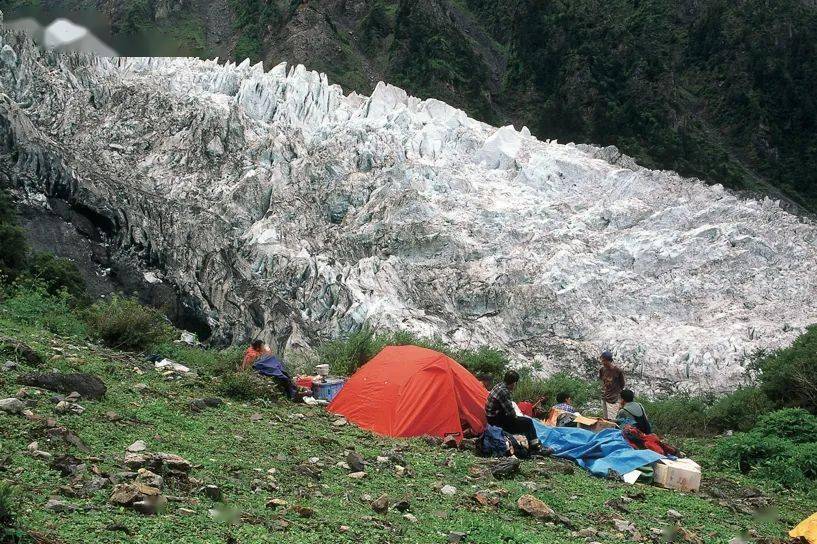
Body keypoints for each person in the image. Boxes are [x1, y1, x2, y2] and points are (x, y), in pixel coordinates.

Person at [485, 370, 542, 453]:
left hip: (492, 417)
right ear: (514, 383)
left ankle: (529, 443)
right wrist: (519, 418)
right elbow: (511, 413)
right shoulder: (504, 392)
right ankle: (535, 447)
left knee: (521, 421)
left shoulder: (499, 386)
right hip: (496, 420)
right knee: (528, 422)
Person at [598, 350, 625, 419]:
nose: (603, 362)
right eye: (602, 360)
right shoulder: (602, 370)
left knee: (612, 420)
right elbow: (601, 380)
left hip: (614, 399)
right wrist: (603, 389)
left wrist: (617, 394)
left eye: (604, 361)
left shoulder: (617, 370)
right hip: (604, 397)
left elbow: (622, 384)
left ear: (609, 360)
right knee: (605, 419)